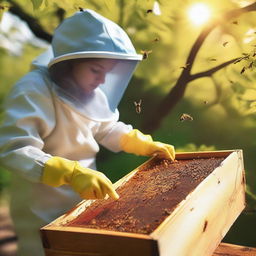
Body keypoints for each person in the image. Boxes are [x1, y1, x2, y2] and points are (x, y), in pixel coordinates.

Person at [0, 9, 175, 255]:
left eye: (108, 71)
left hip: (83, 202)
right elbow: (13, 149)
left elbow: (106, 127)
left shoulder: (92, 93)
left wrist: (142, 144)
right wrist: (70, 172)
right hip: (38, 211)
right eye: (96, 70)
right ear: (69, 63)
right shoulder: (32, 90)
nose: (102, 80)